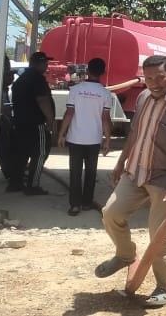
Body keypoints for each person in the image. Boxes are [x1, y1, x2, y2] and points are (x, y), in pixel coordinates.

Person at [96, 55, 166, 309]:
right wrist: (121, 163)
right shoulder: (142, 98)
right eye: (149, 78)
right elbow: (135, 134)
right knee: (110, 213)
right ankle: (125, 254)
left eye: (160, 77)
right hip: (135, 172)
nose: (154, 83)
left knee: (158, 234)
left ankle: (165, 287)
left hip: (164, 178)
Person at [57, 57, 113, 216]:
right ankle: (87, 202)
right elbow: (105, 119)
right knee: (91, 172)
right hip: (94, 139)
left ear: (87, 71)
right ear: (103, 72)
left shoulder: (75, 90)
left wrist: (61, 134)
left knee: (75, 172)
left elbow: (69, 113)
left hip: (75, 137)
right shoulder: (105, 94)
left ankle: (75, 205)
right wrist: (107, 140)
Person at [10, 51, 56, 195]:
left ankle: (15, 183)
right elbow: (42, 100)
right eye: (45, 63)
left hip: (20, 123)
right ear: (39, 63)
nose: (47, 65)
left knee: (21, 153)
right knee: (41, 153)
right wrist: (50, 120)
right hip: (36, 123)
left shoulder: (22, 79)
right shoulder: (37, 79)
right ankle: (32, 185)